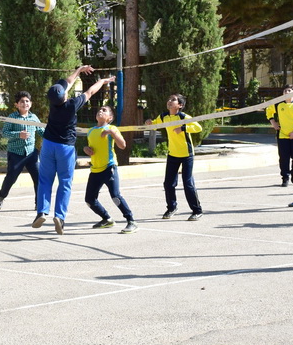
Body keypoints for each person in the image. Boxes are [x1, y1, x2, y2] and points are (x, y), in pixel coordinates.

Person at [34, 65, 114, 235]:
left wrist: (78, 70)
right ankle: (60, 217)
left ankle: (41, 212)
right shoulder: (71, 105)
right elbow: (91, 92)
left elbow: (67, 83)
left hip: (48, 145)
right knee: (65, 182)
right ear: (64, 95)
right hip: (65, 148)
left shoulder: (53, 103)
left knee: (45, 181)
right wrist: (102, 80)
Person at [145, 93, 204, 221]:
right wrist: (149, 122)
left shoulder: (184, 117)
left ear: (180, 105)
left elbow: (198, 127)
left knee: (188, 184)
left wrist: (183, 128)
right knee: (168, 183)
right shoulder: (163, 117)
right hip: (172, 154)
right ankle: (172, 208)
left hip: (187, 154)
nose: (169, 101)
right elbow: (154, 124)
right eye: (169, 99)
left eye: (173, 100)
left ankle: (197, 210)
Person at [83, 105, 137, 233]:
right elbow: (91, 148)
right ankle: (107, 219)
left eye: (104, 110)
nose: (100, 111)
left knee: (115, 196)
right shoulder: (90, 131)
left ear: (110, 118)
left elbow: (123, 145)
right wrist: (86, 149)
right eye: (99, 110)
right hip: (95, 170)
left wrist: (112, 133)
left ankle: (131, 221)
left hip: (109, 167)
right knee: (89, 200)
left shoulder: (112, 128)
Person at [0, 91, 43, 210]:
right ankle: (1, 196)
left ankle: (39, 203)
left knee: (38, 178)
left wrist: (54, 136)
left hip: (31, 153)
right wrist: (18, 134)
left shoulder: (34, 117)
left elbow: (42, 131)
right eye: (22, 101)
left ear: (30, 104)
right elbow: (5, 133)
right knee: (11, 178)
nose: (25, 103)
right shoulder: (12, 117)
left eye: (27, 101)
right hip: (16, 154)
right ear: (16, 104)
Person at [265, 84, 293, 187]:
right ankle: (285, 177)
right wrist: (273, 122)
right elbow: (269, 111)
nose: (286, 92)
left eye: (289, 90)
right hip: (282, 135)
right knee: (284, 158)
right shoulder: (278, 104)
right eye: (285, 91)